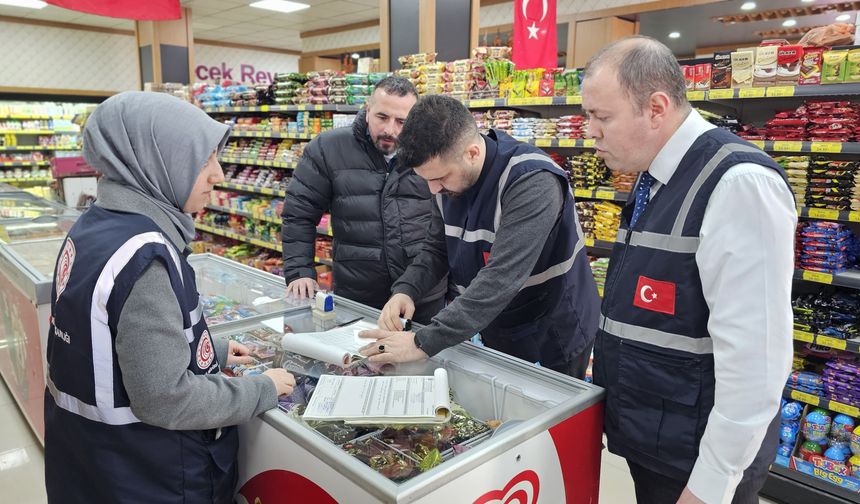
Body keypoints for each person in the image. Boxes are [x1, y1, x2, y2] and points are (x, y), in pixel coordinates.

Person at [43, 92, 295, 503]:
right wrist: (262, 388)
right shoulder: (144, 256)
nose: (217, 174)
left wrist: (213, 349)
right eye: (203, 160)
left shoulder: (95, 226)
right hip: (148, 475)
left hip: (89, 462)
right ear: (157, 162)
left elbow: (110, 345)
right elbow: (166, 398)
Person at [582, 37, 796, 504]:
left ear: (655, 108)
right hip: (659, 436)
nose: (589, 132)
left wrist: (712, 483)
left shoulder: (739, 183)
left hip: (696, 457)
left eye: (601, 117)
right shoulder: (655, 175)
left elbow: (756, 361)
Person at [359, 94, 600, 378]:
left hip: (551, 332)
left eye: (440, 178)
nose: (434, 190)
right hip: (495, 324)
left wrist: (422, 341)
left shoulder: (532, 180)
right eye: (427, 180)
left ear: (472, 153)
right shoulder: (446, 182)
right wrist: (407, 289)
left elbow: (501, 277)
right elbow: (438, 248)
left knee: (543, 417)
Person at [281, 76, 447, 323]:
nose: (390, 130)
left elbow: (449, 222)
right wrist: (299, 271)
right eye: (382, 117)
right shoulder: (328, 148)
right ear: (367, 110)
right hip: (359, 293)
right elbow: (298, 213)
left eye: (402, 121)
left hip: (423, 296)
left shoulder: (434, 150)